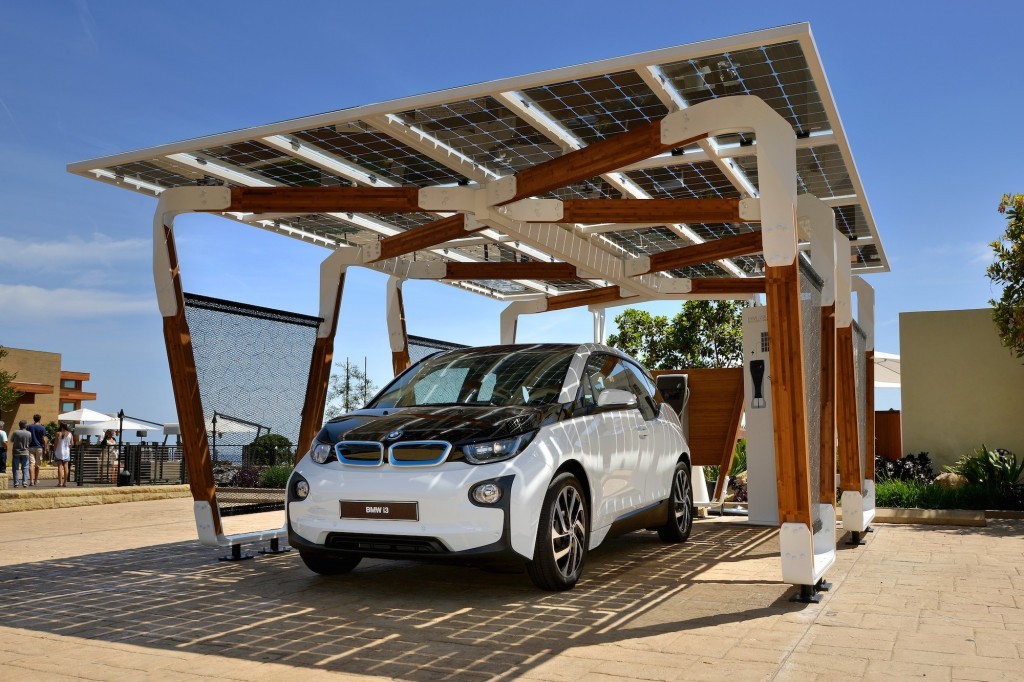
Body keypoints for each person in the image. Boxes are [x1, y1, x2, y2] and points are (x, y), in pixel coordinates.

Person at [26, 414, 47, 486]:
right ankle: (35, 480)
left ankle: (31, 480)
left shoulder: (29, 427)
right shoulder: (42, 427)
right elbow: (44, 439)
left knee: (31, 464)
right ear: (39, 419)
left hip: (31, 447)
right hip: (39, 447)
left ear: (33, 419)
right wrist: (45, 448)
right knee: (37, 465)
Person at [11, 420, 32, 488]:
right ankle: (25, 482)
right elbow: (30, 441)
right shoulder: (29, 433)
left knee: (15, 468)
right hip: (25, 452)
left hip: (16, 452)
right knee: (25, 467)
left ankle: (16, 483)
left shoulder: (15, 432)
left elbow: (12, 440)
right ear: (25, 425)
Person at [53, 423, 73, 487]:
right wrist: (68, 448)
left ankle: (60, 483)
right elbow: (72, 443)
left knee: (60, 467)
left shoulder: (58, 433)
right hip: (66, 452)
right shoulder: (70, 434)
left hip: (59, 451)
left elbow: (55, 443)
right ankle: (65, 482)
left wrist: (54, 450)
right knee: (66, 467)